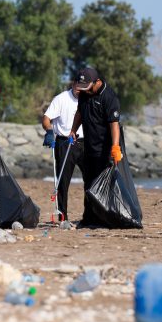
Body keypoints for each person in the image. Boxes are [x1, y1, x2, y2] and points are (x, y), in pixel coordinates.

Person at [69, 67, 122, 227]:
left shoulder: (109, 97)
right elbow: (79, 113)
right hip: (89, 147)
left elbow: (114, 125)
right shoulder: (85, 94)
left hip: (105, 150)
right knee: (89, 184)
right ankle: (89, 218)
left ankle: (104, 218)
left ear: (97, 82)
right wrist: (73, 129)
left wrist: (115, 148)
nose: (85, 90)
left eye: (87, 86)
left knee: (103, 185)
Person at [42, 81, 84, 221]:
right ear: (73, 84)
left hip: (84, 142)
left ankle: (91, 215)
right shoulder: (61, 99)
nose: (80, 90)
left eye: (83, 87)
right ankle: (62, 216)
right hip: (65, 142)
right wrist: (49, 131)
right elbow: (46, 119)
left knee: (91, 180)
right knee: (63, 182)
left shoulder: (89, 98)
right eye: (78, 87)